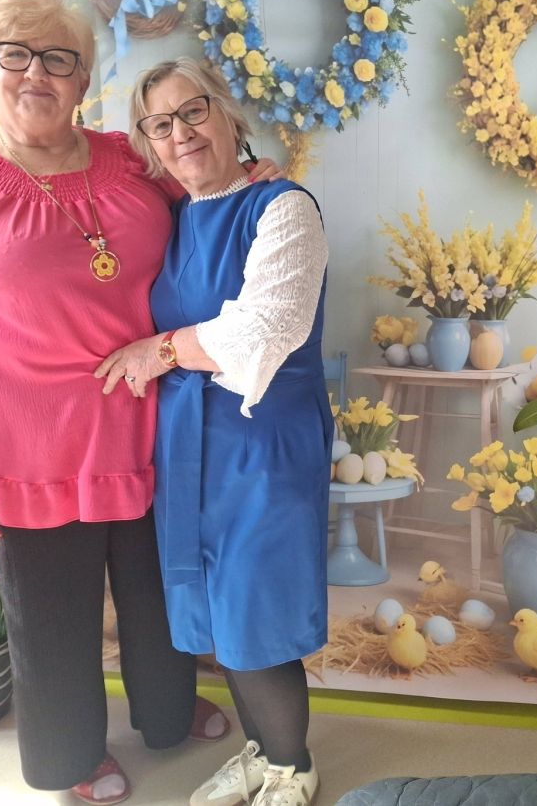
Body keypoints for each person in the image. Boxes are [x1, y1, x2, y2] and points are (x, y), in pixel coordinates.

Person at [0, 0, 281, 805]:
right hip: (30, 453)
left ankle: (167, 711)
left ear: (83, 78)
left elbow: (210, 202)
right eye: (15, 55)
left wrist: (256, 182)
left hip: (154, 430)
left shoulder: (130, 160)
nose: (36, 73)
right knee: (54, 621)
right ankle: (69, 758)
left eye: (58, 59)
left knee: (160, 594)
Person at [95, 57, 331, 806]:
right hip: (190, 444)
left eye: (193, 111)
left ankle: (293, 768)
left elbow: (266, 327)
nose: (181, 133)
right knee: (222, 612)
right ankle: (263, 753)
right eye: (160, 124)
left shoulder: (283, 207)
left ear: (227, 113)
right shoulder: (174, 217)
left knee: (255, 610)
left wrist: (159, 351)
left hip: (263, 444)